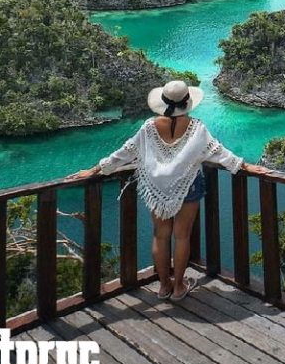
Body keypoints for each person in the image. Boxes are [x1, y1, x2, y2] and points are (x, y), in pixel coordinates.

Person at [67, 80, 269, 301]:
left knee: (160, 236)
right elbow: (219, 153)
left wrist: (95, 170)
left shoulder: (149, 127)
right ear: (187, 103)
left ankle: (164, 286)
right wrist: (245, 165)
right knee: (182, 237)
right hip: (189, 185)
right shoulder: (196, 127)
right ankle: (179, 287)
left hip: (156, 186)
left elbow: (124, 152)